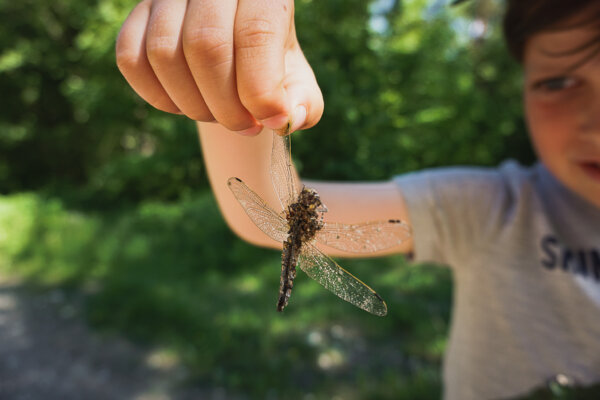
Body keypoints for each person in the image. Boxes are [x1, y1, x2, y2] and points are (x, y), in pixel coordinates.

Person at [115, 0, 600, 398]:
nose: (594, 122)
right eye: (558, 82)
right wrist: (245, 69)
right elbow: (257, 195)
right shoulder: (491, 209)